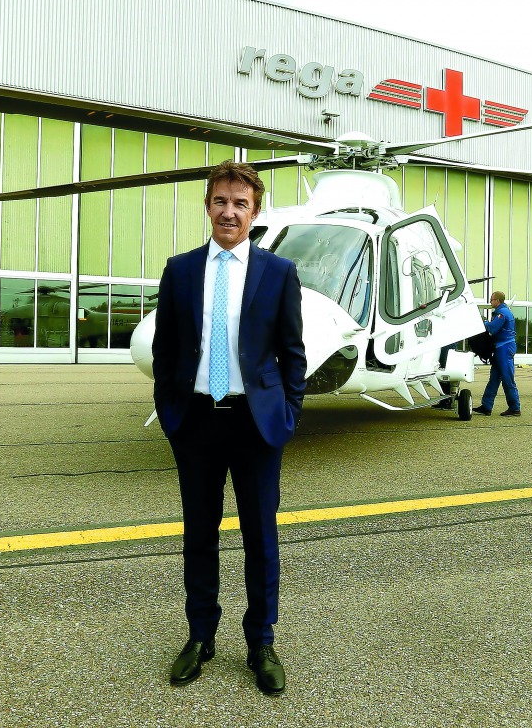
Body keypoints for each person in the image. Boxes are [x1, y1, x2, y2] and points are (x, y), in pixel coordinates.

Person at [151, 160, 307, 695]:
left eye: (240, 204)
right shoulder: (180, 270)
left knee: (261, 539)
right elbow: (166, 348)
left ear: (254, 212)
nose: (229, 212)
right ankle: (200, 636)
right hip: (195, 421)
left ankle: (261, 642)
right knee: (200, 535)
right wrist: (171, 412)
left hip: (256, 424)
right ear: (207, 206)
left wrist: (288, 415)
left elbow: (292, 353)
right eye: (221, 201)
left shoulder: (279, 273)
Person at [472, 291, 521, 416]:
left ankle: (515, 407)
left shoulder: (502, 313)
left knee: (507, 379)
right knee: (494, 378)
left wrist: (484, 322)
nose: (490, 301)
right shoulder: (502, 312)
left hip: (505, 347)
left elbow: (492, 328)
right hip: (501, 348)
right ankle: (486, 406)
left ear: (498, 301)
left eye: (492, 299)